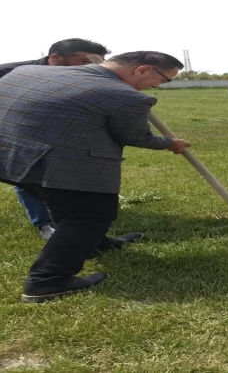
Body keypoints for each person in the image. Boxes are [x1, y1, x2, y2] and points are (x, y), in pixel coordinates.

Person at [0, 51, 191, 303]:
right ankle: (47, 281)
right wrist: (170, 143)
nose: (157, 86)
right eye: (163, 80)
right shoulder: (126, 96)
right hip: (53, 162)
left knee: (66, 206)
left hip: (8, 158)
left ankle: (95, 244)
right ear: (143, 70)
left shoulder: (28, 72)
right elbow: (134, 136)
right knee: (89, 216)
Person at [0, 38, 111, 240]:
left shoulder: (80, 75)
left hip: (55, 133)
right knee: (28, 176)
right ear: (54, 58)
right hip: (12, 134)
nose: (93, 68)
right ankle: (45, 224)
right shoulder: (9, 72)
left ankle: (74, 218)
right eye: (86, 62)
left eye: (98, 63)